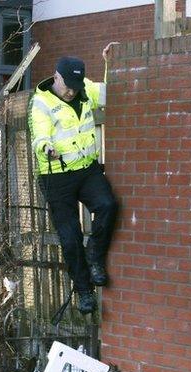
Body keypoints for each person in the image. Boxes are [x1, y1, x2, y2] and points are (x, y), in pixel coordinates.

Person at [28, 52, 118, 314]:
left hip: (87, 170)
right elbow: (39, 134)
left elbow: (113, 93)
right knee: (70, 237)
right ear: (56, 77)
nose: (71, 92)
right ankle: (84, 291)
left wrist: (109, 62)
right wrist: (46, 146)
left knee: (107, 205)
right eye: (68, 86)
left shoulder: (84, 89)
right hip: (56, 176)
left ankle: (95, 259)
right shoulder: (41, 103)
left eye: (76, 88)